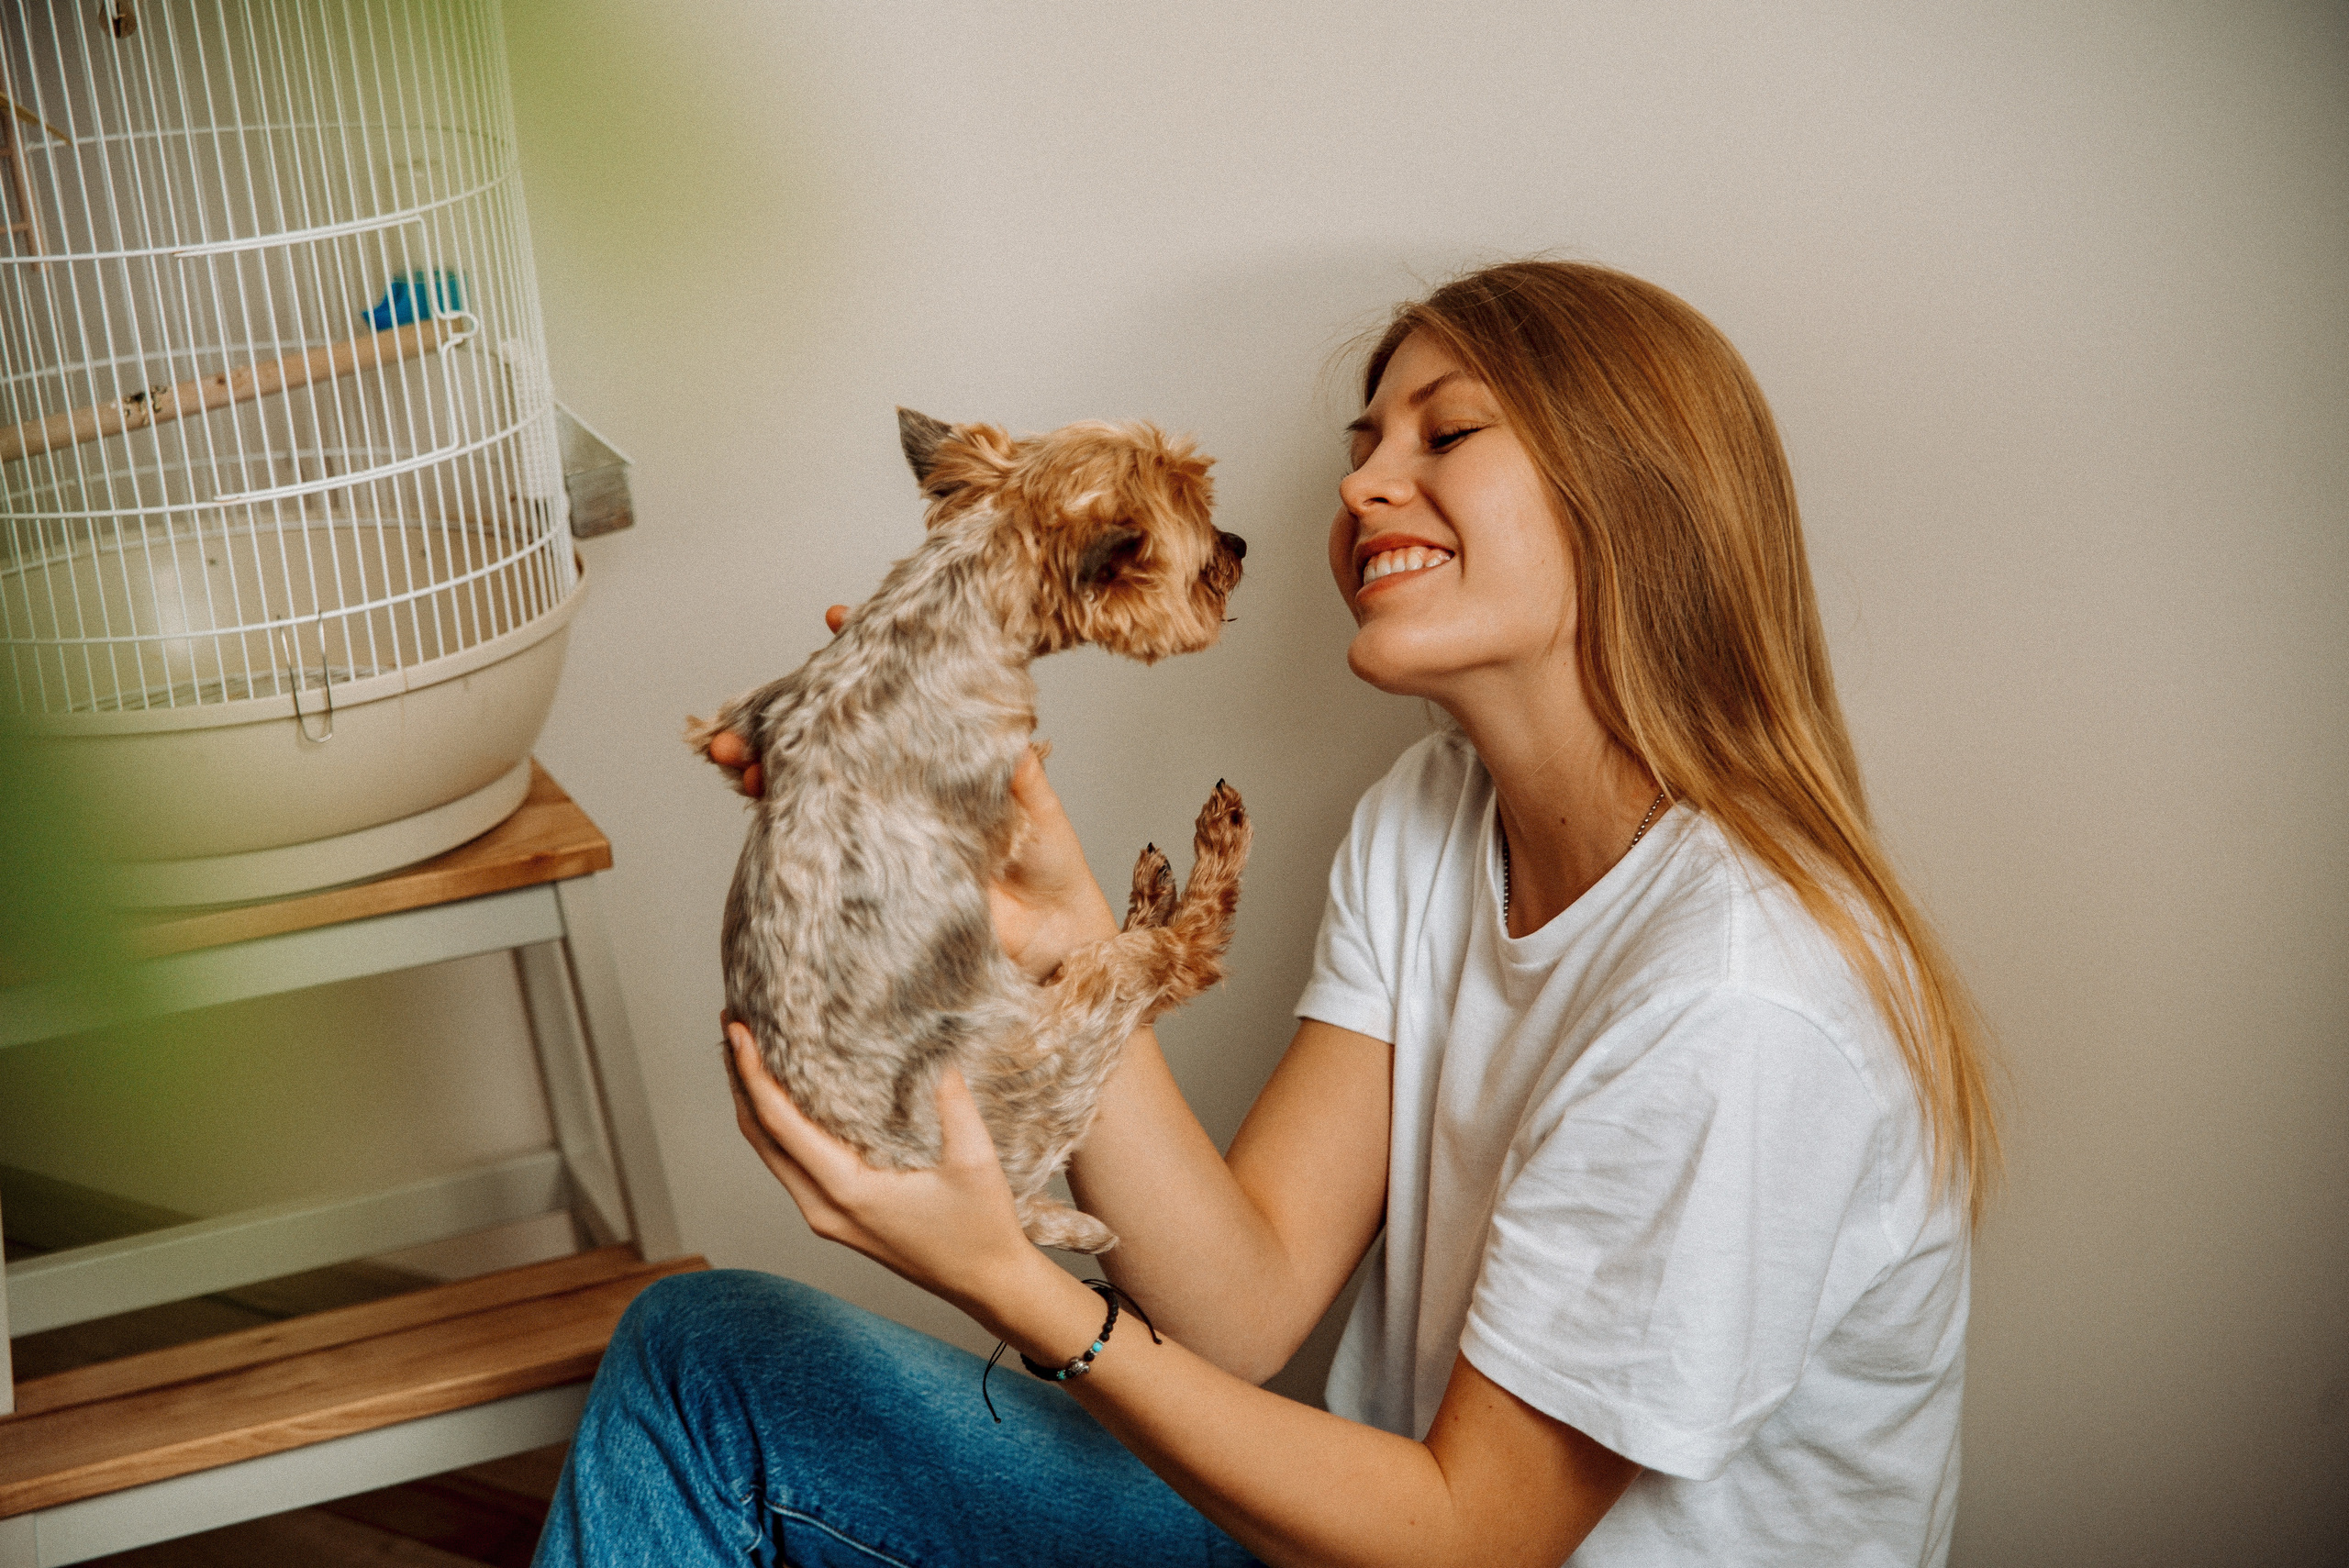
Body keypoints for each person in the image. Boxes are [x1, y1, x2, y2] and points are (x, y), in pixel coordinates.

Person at [533, 261, 1998, 1567]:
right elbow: (1243, 1304)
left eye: (1449, 431)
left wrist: (1012, 1283)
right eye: (1364, 448)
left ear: (1640, 491)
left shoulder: (1740, 996)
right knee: (702, 1359)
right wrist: (1064, 937)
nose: (1359, 487)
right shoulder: (1433, 818)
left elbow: (1473, 1538)